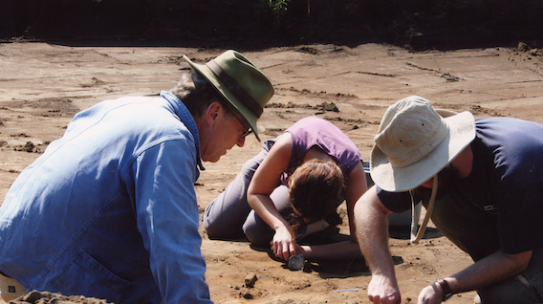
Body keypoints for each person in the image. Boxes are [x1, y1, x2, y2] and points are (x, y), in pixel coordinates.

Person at [0, 50, 275, 304]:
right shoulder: (169, 140)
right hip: (41, 277)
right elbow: (174, 249)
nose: (240, 144)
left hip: (16, 253)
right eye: (243, 130)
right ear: (214, 112)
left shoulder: (126, 106)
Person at [354, 95, 543, 304]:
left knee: (507, 296)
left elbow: (516, 259)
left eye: (415, 176)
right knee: (435, 196)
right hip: (519, 222)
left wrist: (445, 286)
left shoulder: (513, 169)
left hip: (528, 230)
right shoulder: (435, 158)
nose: (412, 185)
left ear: (437, 163)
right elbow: (367, 205)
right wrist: (382, 274)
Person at [204, 116, 368, 262]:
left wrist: (304, 251)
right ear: (289, 185)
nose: (302, 220)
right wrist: (281, 227)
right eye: (301, 214)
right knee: (216, 225)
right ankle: (317, 222)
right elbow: (256, 192)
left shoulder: (353, 170)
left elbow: (362, 246)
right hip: (283, 153)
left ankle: (323, 223)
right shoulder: (287, 146)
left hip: (323, 179)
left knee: (255, 230)